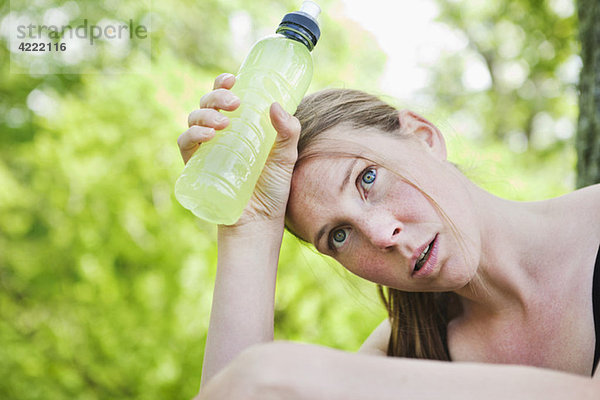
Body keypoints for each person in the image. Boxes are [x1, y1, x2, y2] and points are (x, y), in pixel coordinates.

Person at [179, 72, 600, 399]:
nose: (382, 235)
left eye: (368, 178)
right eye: (339, 236)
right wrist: (248, 228)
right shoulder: (410, 347)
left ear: (423, 136)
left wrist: (286, 377)